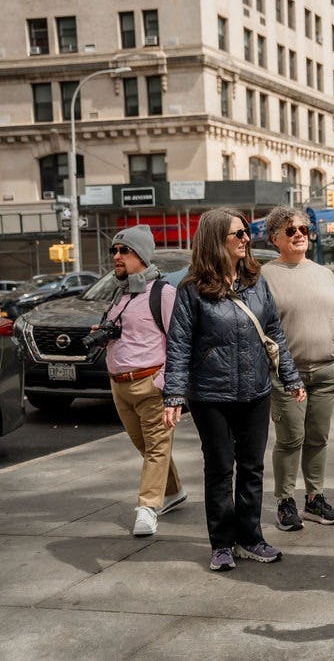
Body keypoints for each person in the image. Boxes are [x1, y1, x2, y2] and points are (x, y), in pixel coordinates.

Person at [163, 208, 305, 572]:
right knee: (220, 469)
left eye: (245, 233)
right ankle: (222, 543)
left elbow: (274, 334)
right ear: (215, 240)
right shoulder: (192, 290)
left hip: (255, 391)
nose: (245, 240)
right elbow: (178, 345)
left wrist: (290, 377)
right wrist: (174, 395)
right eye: (237, 235)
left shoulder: (257, 282)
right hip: (211, 395)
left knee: (253, 467)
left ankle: (251, 538)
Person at [260, 207, 334, 532]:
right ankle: (285, 502)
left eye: (303, 229)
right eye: (289, 230)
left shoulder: (324, 273)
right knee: (290, 439)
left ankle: (315, 499)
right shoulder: (264, 276)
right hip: (287, 374)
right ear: (274, 238)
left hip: (327, 370)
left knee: (318, 438)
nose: (298, 234)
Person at [103, 224, 185, 537]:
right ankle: (174, 490)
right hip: (119, 385)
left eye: (124, 250)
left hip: (151, 384)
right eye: (114, 250)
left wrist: (168, 383)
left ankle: (148, 507)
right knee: (146, 446)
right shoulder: (120, 294)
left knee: (156, 446)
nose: (117, 256)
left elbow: (179, 341)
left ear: (141, 256)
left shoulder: (163, 293)